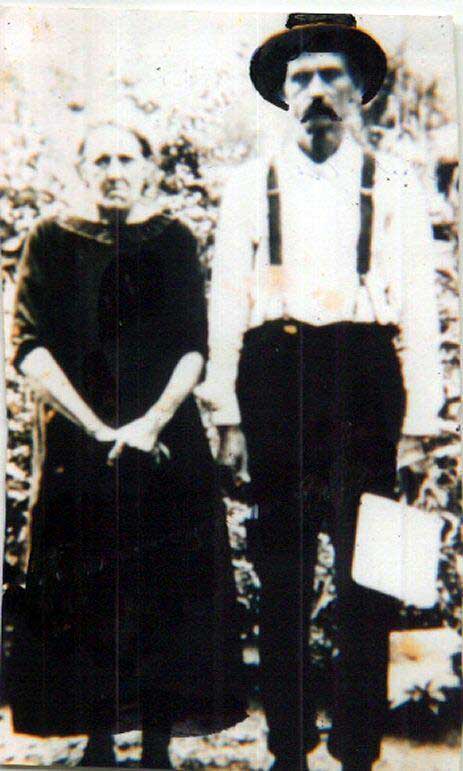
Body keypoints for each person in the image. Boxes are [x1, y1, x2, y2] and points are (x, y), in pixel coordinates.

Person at [195, 13, 443, 771]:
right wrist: (227, 412)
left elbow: (420, 307)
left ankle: (358, 747)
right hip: (276, 376)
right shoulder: (250, 185)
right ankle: (288, 745)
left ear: (359, 88)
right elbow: (226, 302)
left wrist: (420, 420)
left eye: (330, 75)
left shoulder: (394, 180)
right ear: (282, 93)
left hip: (366, 377)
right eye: (300, 78)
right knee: (282, 571)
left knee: (371, 573)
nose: (315, 91)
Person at [2, 122, 247, 768]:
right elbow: (27, 345)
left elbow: (194, 344)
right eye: (101, 158)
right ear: (83, 168)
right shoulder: (49, 239)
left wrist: (150, 423)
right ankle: (98, 741)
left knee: (166, 585)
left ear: (147, 169)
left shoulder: (173, 239)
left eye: (127, 158)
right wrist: (96, 428)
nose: (114, 170)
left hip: (165, 440)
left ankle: (158, 743)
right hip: (77, 440)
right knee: (86, 588)